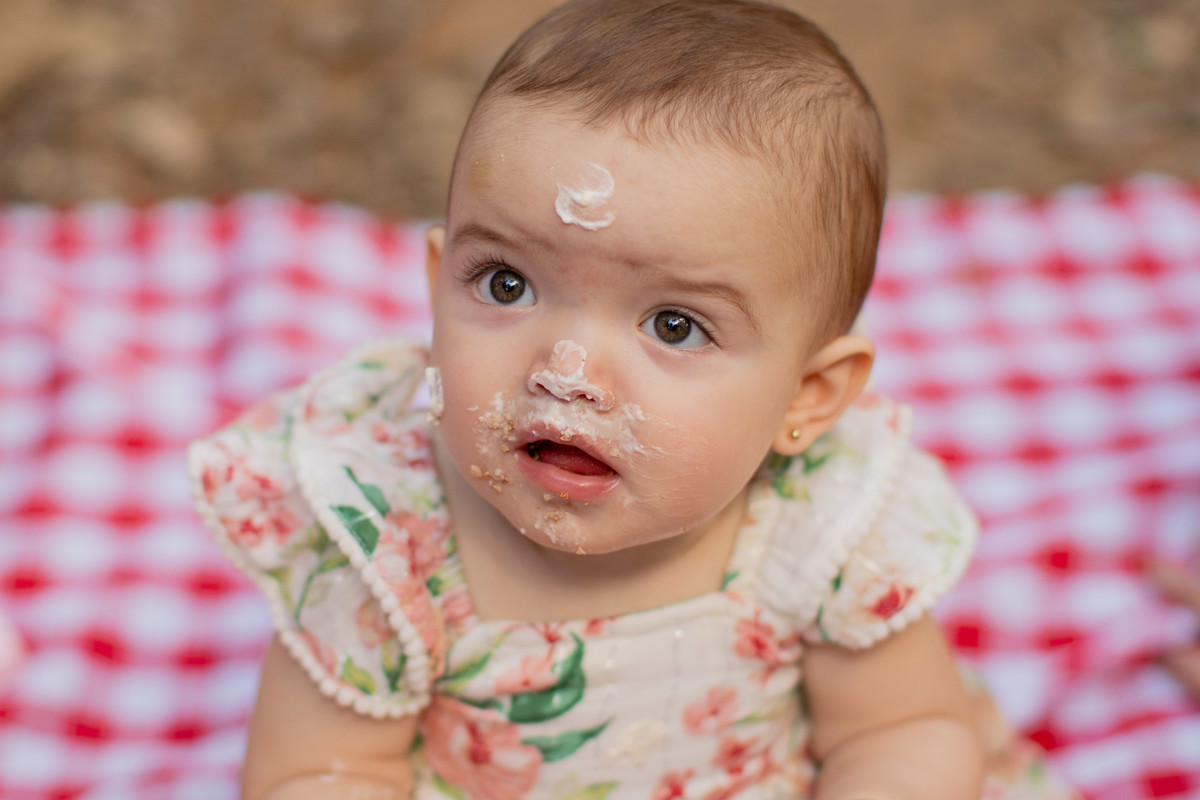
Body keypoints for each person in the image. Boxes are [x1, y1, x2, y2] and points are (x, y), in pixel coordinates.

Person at [190, 1, 1079, 797]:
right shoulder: (387, 539)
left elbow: (901, 733)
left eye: (675, 326)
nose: (567, 371)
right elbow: (318, 771)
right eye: (505, 284)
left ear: (805, 399)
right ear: (434, 289)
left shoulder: (823, 526)